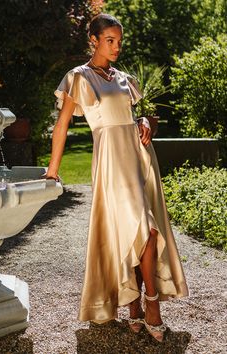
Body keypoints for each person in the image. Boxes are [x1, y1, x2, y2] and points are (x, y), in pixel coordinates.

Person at [46, 13, 189, 343]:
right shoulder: (78, 78)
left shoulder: (124, 78)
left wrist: (145, 123)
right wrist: (53, 168)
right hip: (111, 163)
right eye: (110, 40)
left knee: (140, 234)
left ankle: (137, 308)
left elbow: (135, 115)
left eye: (119, 42)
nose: (116, 47)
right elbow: (63, 125)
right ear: (94, 40)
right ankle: (150, 308)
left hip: (139, 161)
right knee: (145, 231)